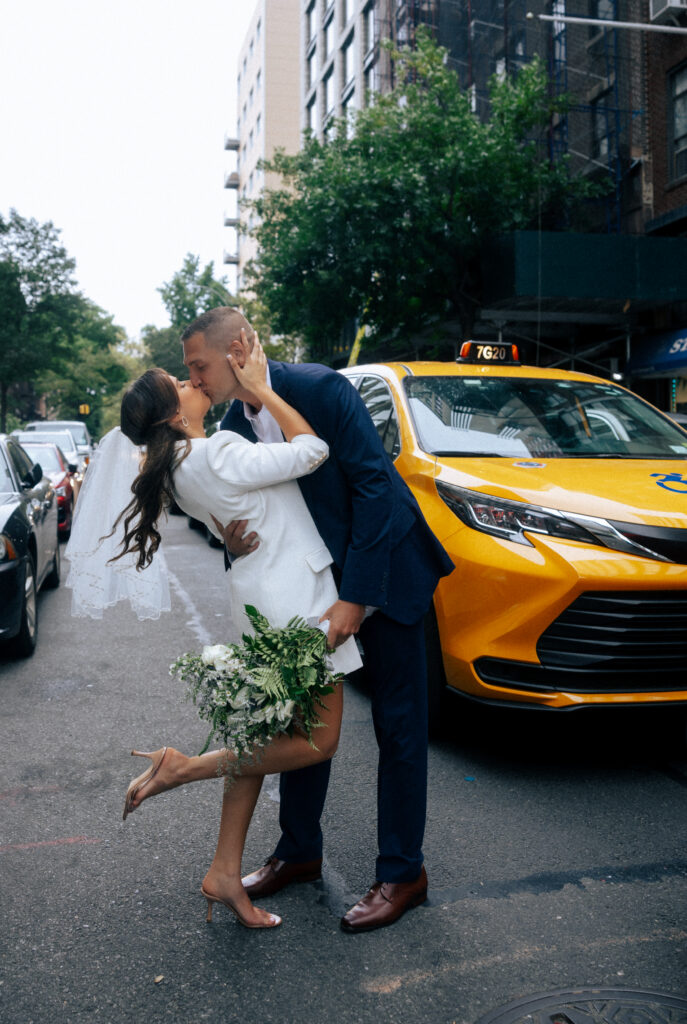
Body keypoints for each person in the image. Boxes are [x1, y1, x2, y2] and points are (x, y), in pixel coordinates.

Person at [67, 339, 362, 930]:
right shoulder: (217, 451)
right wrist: (261, 389)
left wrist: (231, 535)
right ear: (174, 416)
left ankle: (225, 871)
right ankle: (184, 767)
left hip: (260, 599)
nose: (190, 382)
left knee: (262, 738)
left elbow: (234, 512)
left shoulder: (176, 470)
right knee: (317, 743)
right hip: (296, 604)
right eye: (178, 384)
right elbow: (313, 450)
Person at [181, 307, 455, 933]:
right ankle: (299, 853)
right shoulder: (228, 426)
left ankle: (402, 872)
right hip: (309, 594)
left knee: (401, 729)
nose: (194, 378)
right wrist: (235, 539)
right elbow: (238, 502)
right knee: (303, 725)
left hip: (383, 578)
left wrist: (356, 598)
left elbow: (375, 492)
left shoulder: (320, 388)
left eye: (199, 365)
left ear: (239, 348)